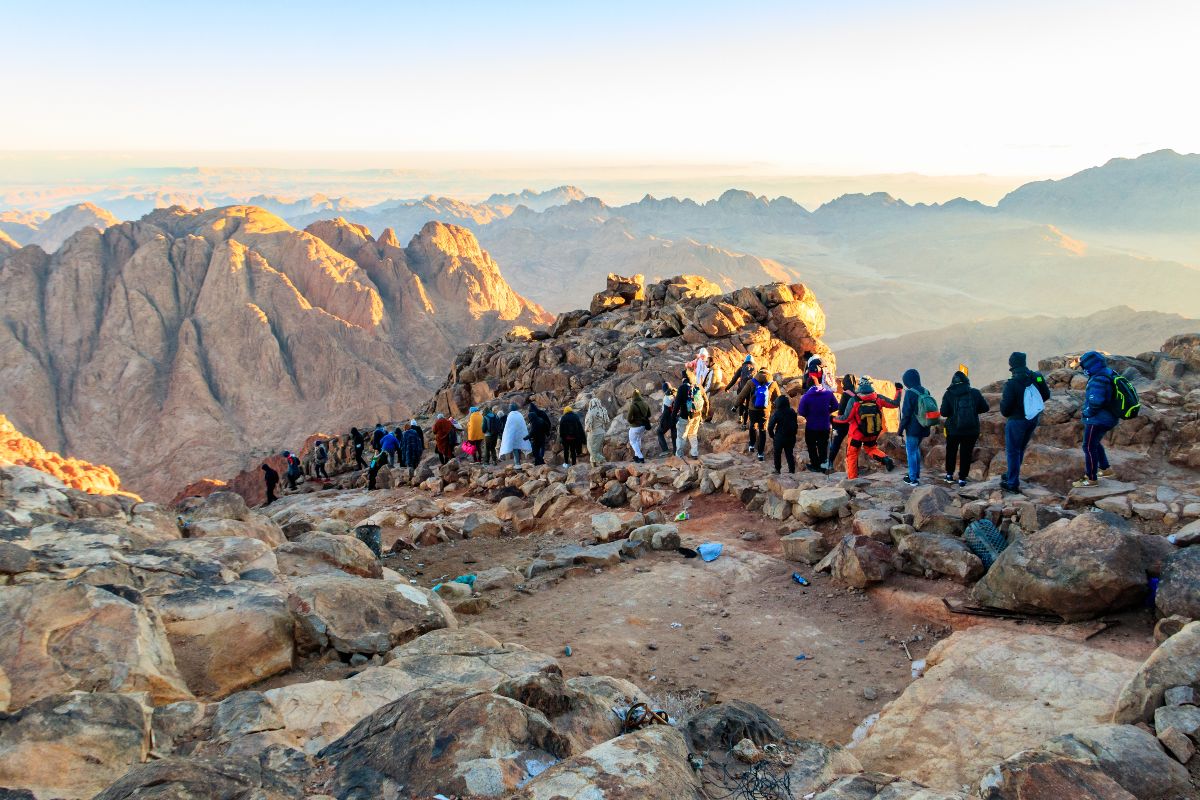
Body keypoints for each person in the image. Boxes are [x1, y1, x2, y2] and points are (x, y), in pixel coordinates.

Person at [999, 351, 1051, 493]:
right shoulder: (1037, 377)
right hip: (1033, 418)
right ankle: (1012, 474)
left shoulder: (1011, 384)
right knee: (1020, 448)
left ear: (1011, 365)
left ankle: (1012, 483)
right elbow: (1046, 395)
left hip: (1016, 421)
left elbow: (1005, 410)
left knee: (1013, 451)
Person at [832, 377, 900, 479]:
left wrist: (834, 419)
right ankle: (885, 459)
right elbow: (895, 404)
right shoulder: (878, 398)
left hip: (856, 435)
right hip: (872, 432)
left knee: (852, 454)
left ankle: (852, 478)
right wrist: (899, 391)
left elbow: (845, 419)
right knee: (871, 448)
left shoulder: (854, 401)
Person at [1075, 351, 1119, 488]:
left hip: (1098, 419)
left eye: (1084, 366)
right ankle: (1105, 469)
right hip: (1109, 416)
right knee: (1094, 443)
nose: (1083, 369)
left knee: (1088, 446)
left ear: (1090, 365)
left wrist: (1087, 413)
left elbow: (1096, 402)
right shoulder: (1109, 372)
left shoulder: (1098, 378)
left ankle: (1091, 478)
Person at [939, 370, 989, 486]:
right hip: (971, 430)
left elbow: (944, 412)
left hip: (953, 430)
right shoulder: (975, 393)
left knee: (951, 451)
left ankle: (949, 475)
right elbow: (985, 408)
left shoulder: (949, 394)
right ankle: (962, 479)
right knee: (966, 453)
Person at [737, 368, 781, 461]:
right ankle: (760, 454)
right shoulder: (773, 383)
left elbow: (742, 395)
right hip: (765, 410)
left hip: (753, 409)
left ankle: (752, 445)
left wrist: (735, 406)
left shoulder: (751, 382)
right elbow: (778, 398)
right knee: (762, 430)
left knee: (752, 425)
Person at [898, 369, 931, 487]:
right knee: (916, 449)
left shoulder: (910, 393)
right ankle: (916, 475)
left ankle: (912, 479)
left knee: (911, 452)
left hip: (913, 429)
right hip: (924, 427)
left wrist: (900, 429)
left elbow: (906, 414)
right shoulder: (926, 391)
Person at [798, 379, 839, 472]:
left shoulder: (806, 396)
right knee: (823, 446)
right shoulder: (828, 394)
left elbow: (801, 411)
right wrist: (828, 411)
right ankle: (823, 466)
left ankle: (815, 465)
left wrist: (808, 415)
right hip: (825, 426)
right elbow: (836, 406)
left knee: (811, 446)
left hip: (811, 426)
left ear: (809, 385)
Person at [824, 374, 858, 473]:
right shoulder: (856, 395)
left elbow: (841, 411)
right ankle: (853, 468)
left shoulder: (846, 394)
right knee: (853, 447)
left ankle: (829, 464)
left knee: (835, 444)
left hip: (842, 423)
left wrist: (833, 419)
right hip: (853, 424)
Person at [673, 371, 707, 459]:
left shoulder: (682, 388)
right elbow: (706, 401)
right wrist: (704, 416)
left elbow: (676, 404)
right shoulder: (699, 386)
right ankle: (694, 453)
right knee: (693, 434)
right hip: (697, 415)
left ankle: (679, 456)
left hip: (685, 416)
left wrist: (673, 417)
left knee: (681, 436)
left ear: (684, 378)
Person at [767, 395, 799, 474]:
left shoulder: (777, 413)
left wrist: (772, 435)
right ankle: (792, 470)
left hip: (779, 437)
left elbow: (770, 426)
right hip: (791, 437)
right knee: (789, 454)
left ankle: (777, 470)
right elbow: (795, 424)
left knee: (777, 454)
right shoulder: (792, 411)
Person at [724, 355, 757, 428]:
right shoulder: (755, 369)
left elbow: (734, 379)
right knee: (748, 406)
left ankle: (740, 416)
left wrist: (727, 387)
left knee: (741, 402)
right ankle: (745, 424)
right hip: (751, 390)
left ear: (745, 361)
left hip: (742, 389)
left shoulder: (742, 368)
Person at [626, 389, 652, 464]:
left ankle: (640, 457)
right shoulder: (645, 403)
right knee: (638, 440)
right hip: (643, 426)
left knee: (632, 442)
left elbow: (628, 418)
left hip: (635, 427)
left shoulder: (633, 405)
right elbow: (649, 415)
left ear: (633, 397)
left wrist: (632, 422)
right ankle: (637, 457)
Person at [584, 397, 610, 466]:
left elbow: (588, 425)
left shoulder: (590, 412)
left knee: (592, 450)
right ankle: (597, 468)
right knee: (598, 450)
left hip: (593, 433)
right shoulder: (603, 410)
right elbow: (607, 421)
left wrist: (586, 430)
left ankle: (603, 461)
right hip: (602, 432)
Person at [527, 402, 552, 466]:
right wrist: (547, 432)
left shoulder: (534, 415)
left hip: (538, 433)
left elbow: (532, 426)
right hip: (542, 432)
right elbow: (548, 423)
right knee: (541, 446)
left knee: (538, 447)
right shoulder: (541, 413)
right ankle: (539, 460)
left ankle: (539, 460)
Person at [656, 382, 677, 457]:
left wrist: (661, 421)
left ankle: (665, 450)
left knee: (659, 432)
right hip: (675, 417)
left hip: (668, 418)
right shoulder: (675, 393)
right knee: (674, 434)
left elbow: (666, 411)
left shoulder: (667, 397)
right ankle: (675, 451)